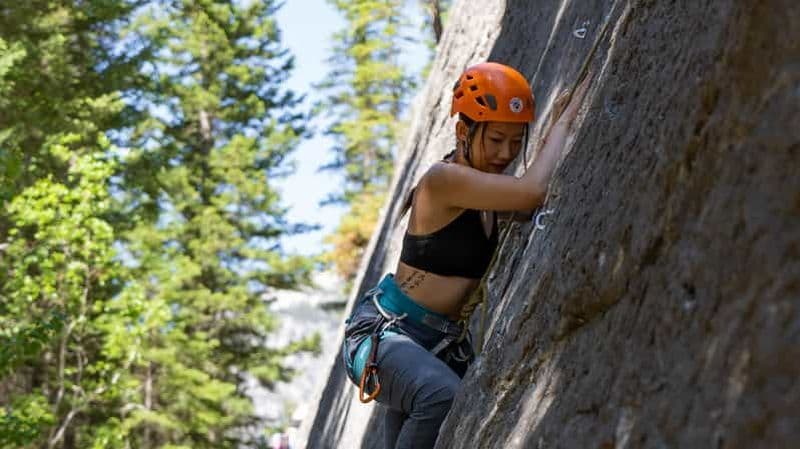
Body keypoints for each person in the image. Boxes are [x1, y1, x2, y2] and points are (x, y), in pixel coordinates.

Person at [341, 62, 590, 449]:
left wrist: (545, 141)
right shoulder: (443, 181)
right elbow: (530, 193)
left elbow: (522, 201)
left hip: (436, 349)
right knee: (441, 395)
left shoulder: (483, 191)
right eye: (494, 140)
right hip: (390, 337)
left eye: (515, 141)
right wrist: (564, 124)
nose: (505, 153)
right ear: (463, 131)